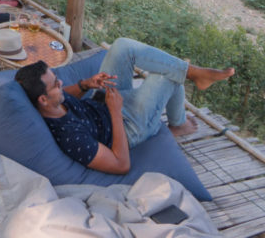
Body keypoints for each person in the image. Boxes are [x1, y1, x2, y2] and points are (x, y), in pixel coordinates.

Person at [14, 39, 235, 174]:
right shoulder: (70, 137)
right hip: (127, 126)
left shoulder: (50, 101)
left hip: (104, 103)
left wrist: (85, 84)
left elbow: (69, 93)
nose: (61, 83)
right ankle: (179, 122)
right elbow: (121, 164)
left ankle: (193, 75)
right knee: (167, 77)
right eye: (55, 84)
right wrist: (115, 111)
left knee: (122, 46)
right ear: (43, 100)